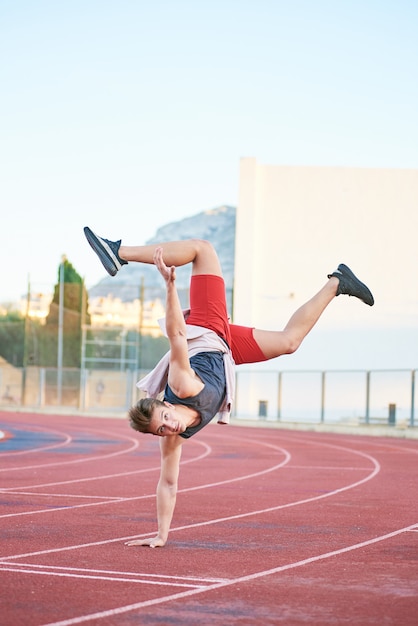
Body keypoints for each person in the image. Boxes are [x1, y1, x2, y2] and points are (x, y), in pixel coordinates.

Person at [84, 226, 374, 547]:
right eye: (162, 432)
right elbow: (167, 484)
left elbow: (177, 336)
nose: (170, 428)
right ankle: (338, 282)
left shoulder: (182, 385)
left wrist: (170, 287)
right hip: (226, 350)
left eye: (164, 420)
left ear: (165, 406)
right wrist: (160, 536)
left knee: (203, 249)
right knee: (288, 342)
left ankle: (118, 253)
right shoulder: (174, 438)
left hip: (208, 328)